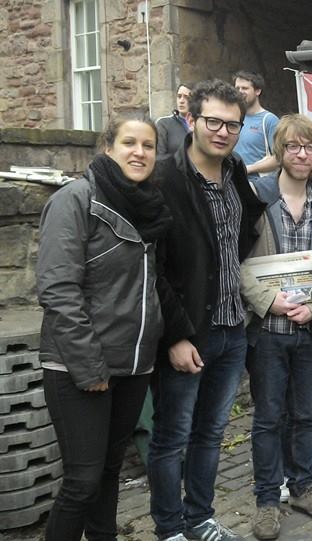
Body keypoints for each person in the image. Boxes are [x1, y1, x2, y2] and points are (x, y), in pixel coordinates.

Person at [35, 113, 171, 541]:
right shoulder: (76, 199)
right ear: (108, 147)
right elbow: (57, 288)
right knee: (82, 481)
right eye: (130, 142)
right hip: (80, 367)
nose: (140, 152)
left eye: (148, 145)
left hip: (133, 366)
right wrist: (90, 367)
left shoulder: (148, 204)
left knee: (110, 470)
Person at [148, 79, 265, 541]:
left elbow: (243, 232)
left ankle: (199, 518)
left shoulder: (235, 169)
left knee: (210, 435)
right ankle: (168, 528)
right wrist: (176, 335)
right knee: (171, 437)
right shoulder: (165, 178)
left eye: (232, 124)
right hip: (188, 331)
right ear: (192, 120)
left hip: (232, 328)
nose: (222, 131)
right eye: (213, 121)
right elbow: (152, 266)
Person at [241, 114, 312, 539]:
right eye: (293, 147)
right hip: (267, 333)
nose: (302, 154)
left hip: (311, 333)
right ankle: (267, 499)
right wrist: (268, 301)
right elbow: (235, 260)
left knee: (309, 415)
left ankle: (302, 487)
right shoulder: (255, 198)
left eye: (310, 147)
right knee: (268, 418)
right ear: (280, 152)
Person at [234, 70, 280, 177]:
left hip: (258, 185)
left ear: (257, 91)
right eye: (237, 88)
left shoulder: (269, 120)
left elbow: (279, 158)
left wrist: (247, 169)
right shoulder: (233, 118)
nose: (240, 92)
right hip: (232, 183)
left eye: (245, 88)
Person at [156, 83, 192, 160]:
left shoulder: (201, 124)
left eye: (187, 97)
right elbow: (159, 157)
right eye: (179, 96)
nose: (181, 101)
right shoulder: (164, 124)